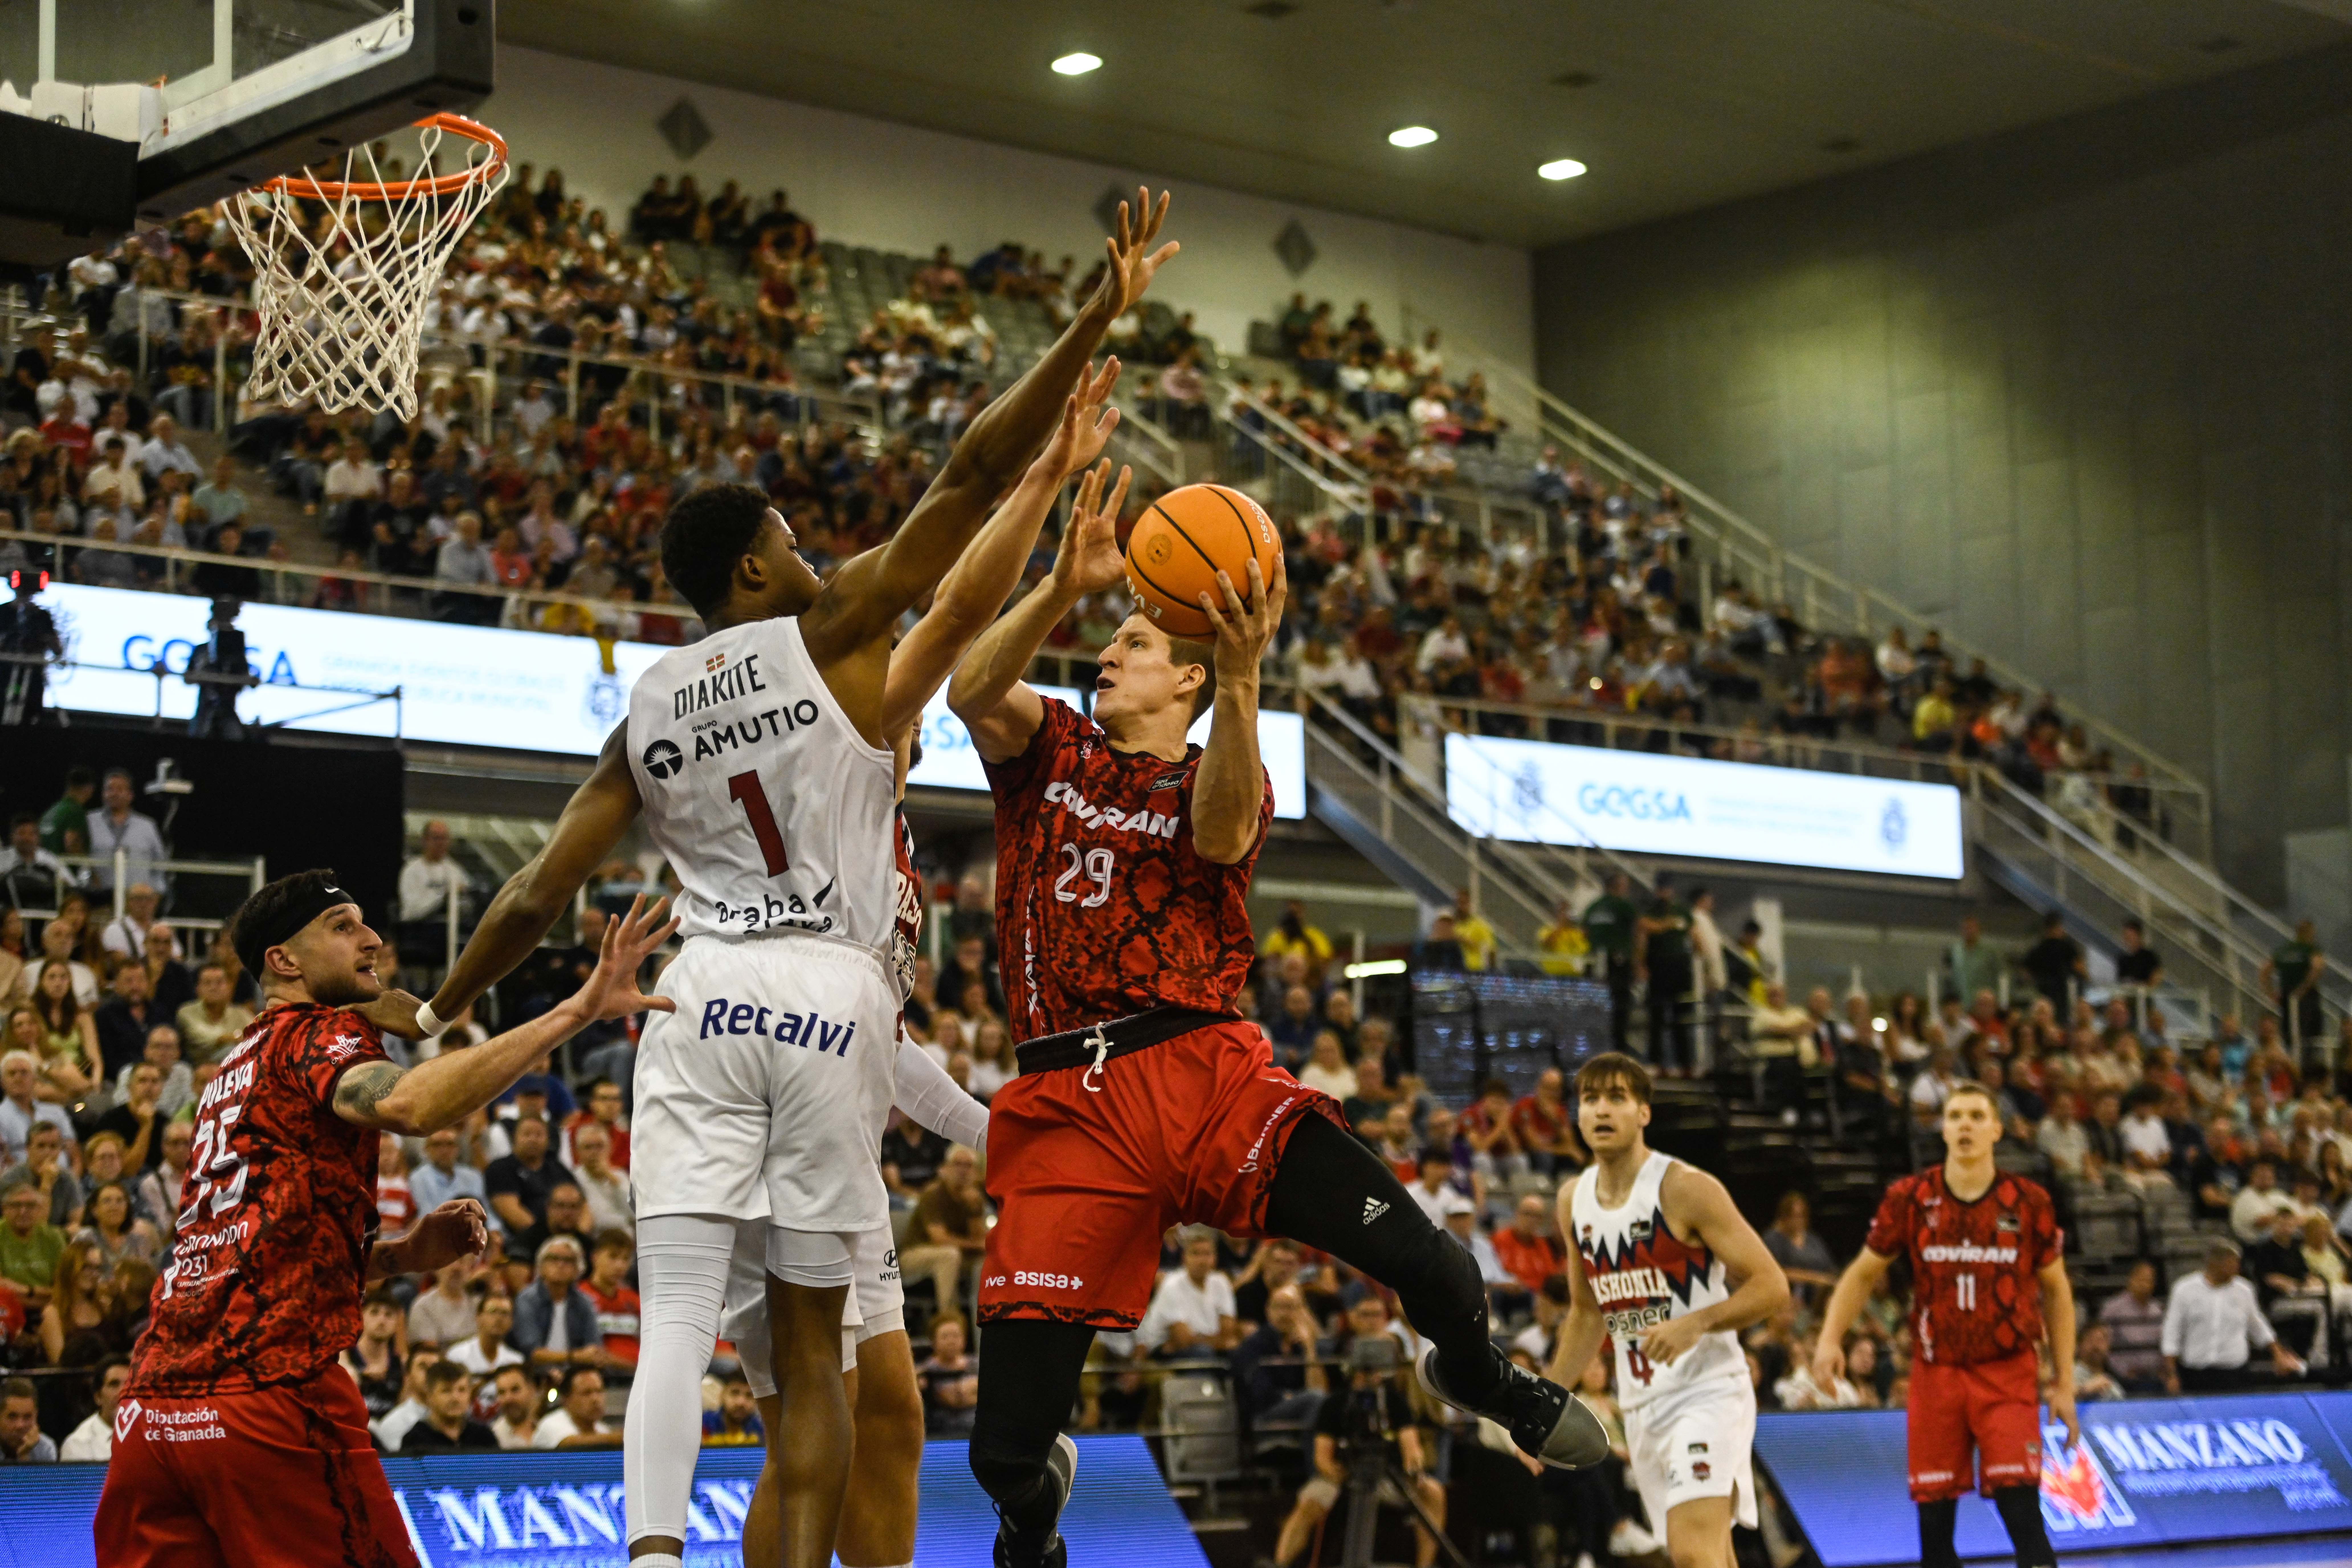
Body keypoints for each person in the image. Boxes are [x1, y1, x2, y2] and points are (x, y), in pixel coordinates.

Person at [416, 192, 1182, 1568]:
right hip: (823, 1012)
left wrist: (439, 1008)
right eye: (791, 534)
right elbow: (950, 566)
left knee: (809, 1372)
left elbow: (537, 891)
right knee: (818, 1384)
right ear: (764, 560)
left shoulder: (664, 709)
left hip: (718, 1004)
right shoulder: (840, 670)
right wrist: (1072, 381)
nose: (813, 549)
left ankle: (657, 1545)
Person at [947, 335, 1606, 1568]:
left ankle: (1481, 1377)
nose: (1110, 652)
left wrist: (1248, 680)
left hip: (1203, 1074)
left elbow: (1216, 827)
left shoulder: (1221, 771)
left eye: (1136, 641)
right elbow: (966, 683)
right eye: (1116, 638)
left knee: (1435, 1262)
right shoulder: (1053, 752)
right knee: (998, 1451)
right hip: (1069, 1102)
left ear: (1189, 672)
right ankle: (1036, 1511)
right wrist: (1060, 586)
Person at [90, 871, 672, 1568]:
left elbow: (245, 1248)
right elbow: (409, 1107)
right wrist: (576, 1011)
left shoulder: (230, 1071)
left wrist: (396, 1257)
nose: (372, 939)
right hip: (268, 1402)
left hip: (153, 1413)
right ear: (285, 961)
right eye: (344, 928)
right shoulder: (313, 1032)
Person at [1811, 1083, 2073, 1568]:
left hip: (2007, 1370)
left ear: (1996, 1128)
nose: (1965, 1124)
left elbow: (2057, 1291)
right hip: (1936, 1374)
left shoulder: (2029, 1200)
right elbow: (1863, 1271)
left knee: (2022, 1512)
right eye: (1955, 1115)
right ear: (1943, 1127)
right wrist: (1829, 1338)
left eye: (1977, 1115)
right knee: (1934, 1529)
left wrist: (2065, 1380)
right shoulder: (1911, 1196)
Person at [1547, 1054, 1790, 1568]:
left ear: (1643, 1113)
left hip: (1707, 1390)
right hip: (1640, 1402)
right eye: (1590, 1099)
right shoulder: (1573, 1200)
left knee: (1692, 1552)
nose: (1601, 1109)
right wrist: (1546, 1404)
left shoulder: (1684, 1187)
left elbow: (1772, 1285)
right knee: (1710, 1556)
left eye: (1617, 1097)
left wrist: (1697, 1320)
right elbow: (1587, 1314)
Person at [1271, 1295, 1447, 1568]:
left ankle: (1425, 1566)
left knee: (1434, 1492)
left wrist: (1415, 1470)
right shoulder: (1336, 1403)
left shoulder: (1394, 1401)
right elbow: (1322, 1458)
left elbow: (1411, 1447)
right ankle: (1281, 1563)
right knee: (1309, 1504)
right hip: (1342, 1476)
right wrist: (1343, 1477)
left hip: (1388, 1477)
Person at [2163, 1238, 2304, 1393]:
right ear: (2213, 1264)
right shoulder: (2184, 1289)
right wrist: (2172, 1374)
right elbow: (2172, 1331)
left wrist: (2277, 1354)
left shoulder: (2245, 1290)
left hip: (2234, 1373)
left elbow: (2257, 1326)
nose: (2237, 1268)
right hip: (2195, 1373)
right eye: (2231, 1263)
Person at [1582, 872, 1639, 1050]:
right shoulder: (1622, 906)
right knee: (1620, 1006)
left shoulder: (1594, 907)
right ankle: (1618, 1048)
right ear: (1618, 886)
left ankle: (1595, 1046)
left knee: (1597, 1006)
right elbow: (1638, 930)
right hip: (1618, 962)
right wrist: (1638, 961)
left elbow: (1585, 932)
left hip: (1595, 962)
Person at [399, 1358, 500, 1450]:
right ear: (429, 1396)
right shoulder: (415, 1440)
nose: (455, 1398)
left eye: (462, 1390)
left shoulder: (484, 1437)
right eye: (446, 1391)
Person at [2261, 919, 2328, 1055]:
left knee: (2290, 1032)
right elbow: (2317, 967)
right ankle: (2308, 1062)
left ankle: (2293, 1056)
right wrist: (2304, 988)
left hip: (2287, 995)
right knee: (2310, 1035)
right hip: (2306, 997)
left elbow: (2265, 971)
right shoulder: (2310, 950)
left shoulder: (2284, 950)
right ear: (2310, 933)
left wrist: (2271, 993)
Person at [62, 1354, 131, 1461]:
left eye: (129, 1384)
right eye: (114, 1384)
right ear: (98, 1397)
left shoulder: (152, 1434)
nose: (123, 1392)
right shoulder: (78, 1445)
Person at [534, 1364, 620, 1449]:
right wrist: (621, 1438)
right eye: (587, 1393)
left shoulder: (604, 1430)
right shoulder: (550, 1423)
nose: (596, 1399)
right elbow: (569, 1445)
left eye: (599, 1391)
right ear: (566, 1399)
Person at [703, 1369, 766, 1445]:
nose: (741, 1402)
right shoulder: (703, 1425)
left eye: (749, 1395)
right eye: (735, 1393)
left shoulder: (761, 1432)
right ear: (722, 1395)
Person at [0, 1377, 55, 1463]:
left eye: (27, 1417)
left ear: (36, 1417)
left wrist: (24, 1456)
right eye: (12, 1417)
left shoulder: (45, 1448)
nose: (20, 1426)